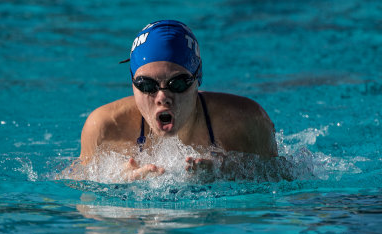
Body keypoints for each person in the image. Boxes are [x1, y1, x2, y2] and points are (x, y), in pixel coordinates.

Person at [79, 20, 278, 180]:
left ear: (197, 79)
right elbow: (78, 191)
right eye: (147, 85)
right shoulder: (105, 127)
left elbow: (286, 181)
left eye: (178, 84)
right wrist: (113, 181)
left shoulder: (246, 121)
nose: (163, 97)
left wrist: (230, 174)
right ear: (132, 83)